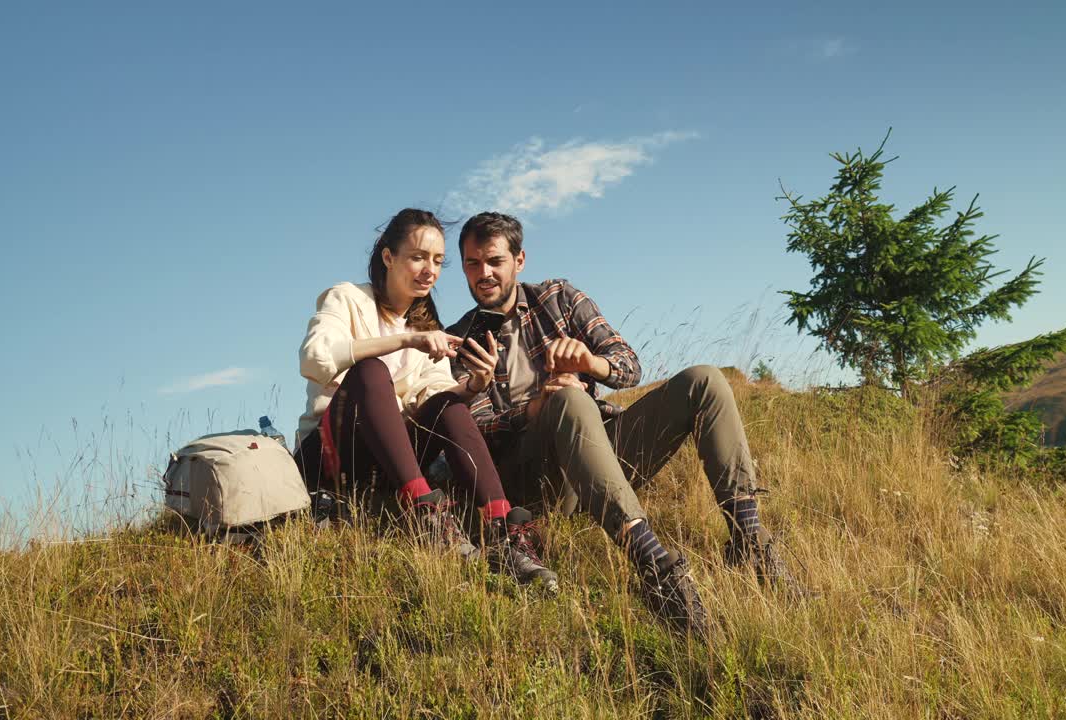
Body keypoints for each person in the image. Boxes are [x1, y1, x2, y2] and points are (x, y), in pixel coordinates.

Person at [448, 212, 813, 634]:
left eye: (494, 260)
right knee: (566, 397)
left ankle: (750, 541)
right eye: (472, 264)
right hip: (536, 479)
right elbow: (472, 429)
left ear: (520, 260)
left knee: (704, 381)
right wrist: (533, 409)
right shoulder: (461, 338)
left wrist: (592, 364)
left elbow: (629, 366)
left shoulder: (559, 298)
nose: (484, 273)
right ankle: (655, 568)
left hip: (601, 448)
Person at [294, 208, 557, 591]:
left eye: (437, 261)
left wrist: (474, 386)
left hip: (384, 463)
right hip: (330, 458)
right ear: (389, 257)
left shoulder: (425, 328)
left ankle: (503, 532)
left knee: (449, 405)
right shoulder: (347, 298)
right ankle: (426, 516)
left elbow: (434, 401)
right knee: (370, 371)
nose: (429, 270)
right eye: (418, 257)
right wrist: (403, 341)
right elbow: (314, 358)